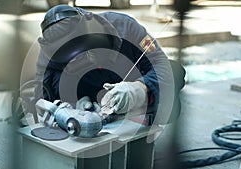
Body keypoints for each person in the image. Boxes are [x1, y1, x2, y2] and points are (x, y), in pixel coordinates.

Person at [34, 4, 185, 124]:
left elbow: (161, 64)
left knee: (175, 72)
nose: (78, 59)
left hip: (128, 84)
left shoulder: (126, 27)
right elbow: (40, 99)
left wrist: (138, 89)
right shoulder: (50, 53)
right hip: (86, 94)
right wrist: (69, 109)